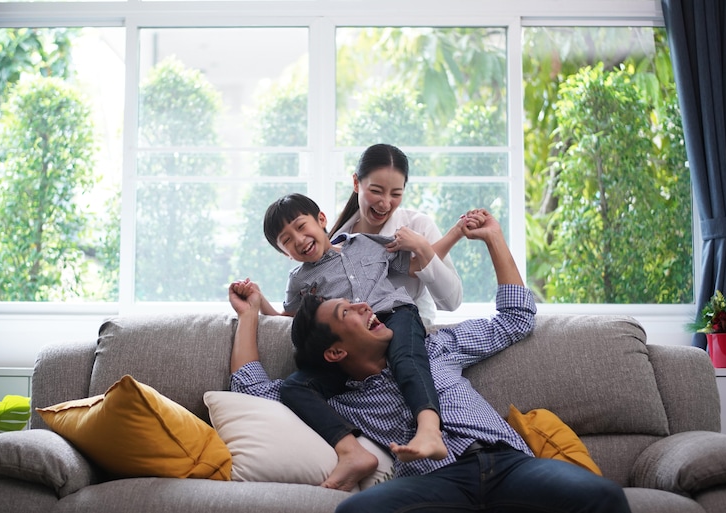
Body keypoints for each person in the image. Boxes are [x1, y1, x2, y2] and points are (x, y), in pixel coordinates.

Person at [228, 209, 632, 513]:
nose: (364, 304)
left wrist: (493, 238)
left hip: (505, 461)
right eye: (346, 311)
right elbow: (250, 386)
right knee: (356, 511)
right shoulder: (338, 397)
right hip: (434, 480)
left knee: (603, 496)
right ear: (335, 353)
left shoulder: (438, 347)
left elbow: (516, 319)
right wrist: (249, 315)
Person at [250, 193, 479, 490]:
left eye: (301, 226)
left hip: (395, 316)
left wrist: (457, 232)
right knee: (295, 385)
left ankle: (429, 430)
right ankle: (352, 453)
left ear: (321, 220)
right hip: (351, 343)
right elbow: (293, 322)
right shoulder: (299, 282)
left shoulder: (366, 243)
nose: (299, 239)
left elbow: (416, 266)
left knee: (406, 360)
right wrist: (259, 304)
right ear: (285, 253)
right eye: (287, 240)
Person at [330, 143, 462, 328]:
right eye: (376, 191)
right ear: (356, 183)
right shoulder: (337, 239)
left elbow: (451, 301)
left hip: (409, 334)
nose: (385, 203)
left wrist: (422, 248)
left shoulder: (418, 225)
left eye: (396, 194)